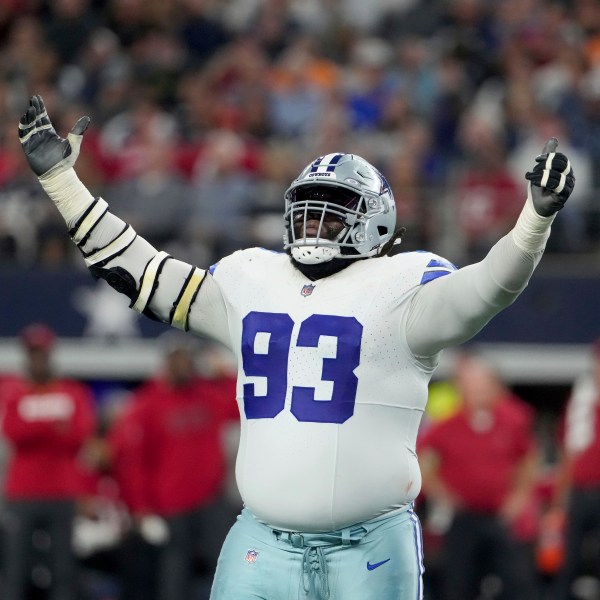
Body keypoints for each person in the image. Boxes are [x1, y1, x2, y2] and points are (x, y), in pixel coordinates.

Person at [16, 94, 575, 600]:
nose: (315, 225)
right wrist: (63, 183)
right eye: (308, 210)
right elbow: (144, 277)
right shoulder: (252, 276)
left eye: (333, 214)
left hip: (370, 547)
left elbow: (489, 287)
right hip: (261, 541)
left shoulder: (405, 285)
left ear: (374, 221)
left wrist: (534, 220)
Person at [104, 333, 239, 600]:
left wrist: (224, 372)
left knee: (228, 567)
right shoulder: (148, 403)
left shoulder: (208, 395)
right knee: (176, 575)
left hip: (211, 499)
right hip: (171, 506)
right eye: (177, 359)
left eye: (188, 359)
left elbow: (242, 402)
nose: (183, 365)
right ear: (167, 362)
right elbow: (135, 463)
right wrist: (142, 509)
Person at [417, 352, 541, 600]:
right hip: (464, 518)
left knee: (518, 581)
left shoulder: (513, 419)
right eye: (472, 385)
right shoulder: (447, 424)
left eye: (483, 385)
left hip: (502, 516)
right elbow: (424, 461)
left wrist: (519, 498)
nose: (478, 392)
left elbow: (528, 459)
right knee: (459, 582)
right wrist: (443, 495)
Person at [0, 323, 97, 600]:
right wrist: (53, 426)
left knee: (63, 569)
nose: (38, 359)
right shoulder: (13, 391)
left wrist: (36, 427)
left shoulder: (71, 391)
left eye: (42, 353)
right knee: (16, 567)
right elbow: (13, 433)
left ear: (50, 354)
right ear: (26, 357)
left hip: (62, 492)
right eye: (33, 353)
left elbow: (79, 435)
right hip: (22, 493)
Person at [550, 339, 600, 600]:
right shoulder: (581, 402)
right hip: (581, 492)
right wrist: (560, 502)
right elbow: (567, 454)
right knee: (567, 559)